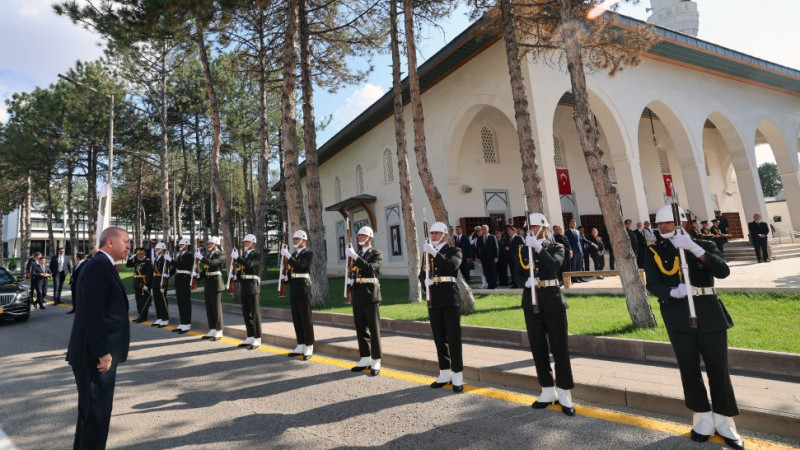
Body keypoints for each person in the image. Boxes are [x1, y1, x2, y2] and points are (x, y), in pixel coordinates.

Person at [645, 205, 744, 450]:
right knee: (688, 367)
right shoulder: (654, 251)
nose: (664, 227)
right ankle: (701, 417)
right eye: (661, 224)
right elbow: (652, 285)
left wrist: (693, 247)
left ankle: (724, 420)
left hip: (708, 312)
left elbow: (722, 271)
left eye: (668, 223)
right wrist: (672, 291)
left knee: (718, 367)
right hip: (677, 314)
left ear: (682, 223)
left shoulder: (703, 245)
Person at [66, 227, 131, 450]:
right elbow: (92, 313)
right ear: (110, 242)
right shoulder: (97, 266)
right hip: (94, 357)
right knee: (96, 417)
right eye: (126, 241)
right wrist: (103, 352)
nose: (129, 246)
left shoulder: (101, 264)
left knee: (91, 417)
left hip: (95, 355)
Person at [516, 212, 574, 415]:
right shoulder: (523, 250)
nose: (529, 231)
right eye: (527, 228)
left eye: (532, 227)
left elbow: (553, 267)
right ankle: (547, 390)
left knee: (559, 349)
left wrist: (539, 248)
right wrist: (524, 281)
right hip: (531, 302)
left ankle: (564, 392)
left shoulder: (556, 247)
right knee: (538, 348)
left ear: (543, 228)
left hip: (553, 301)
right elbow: (517, 272)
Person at [420, 222, 464, 393]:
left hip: (449, 297)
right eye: (432, 233)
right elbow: (422, 273)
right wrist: (424, 282)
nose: (434, 236)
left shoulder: (454, 251)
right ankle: (444, 372)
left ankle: (457, 374)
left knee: (453, 337)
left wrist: (433, 252)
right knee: (439, 337)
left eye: (438, 233)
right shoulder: (427, 252)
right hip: (434, 297)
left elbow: (451, 266)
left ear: (445, 235)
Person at [345, 226, 383, 375]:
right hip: (358, 293)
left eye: (363, 236)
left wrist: (354, 256)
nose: (360, 238)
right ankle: (365, 357)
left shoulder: (377, 253)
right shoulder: (356, 254)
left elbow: (370, 269)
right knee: (360, 328)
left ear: (370, 238)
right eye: (359, 236)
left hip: (371, 294)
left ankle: (376, 360)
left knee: (374, 329)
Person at [281, 231, 314, 359]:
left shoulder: (308, 254)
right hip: (294, 287)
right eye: (293, 238)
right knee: (296, 317)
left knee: (306, 318)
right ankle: (300, 344)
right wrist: (285, 277)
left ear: (304, 240)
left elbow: (300, 267)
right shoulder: (294, 254)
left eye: (297, 239)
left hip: (304, 287)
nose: (294, 240)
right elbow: (291, 270)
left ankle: (309, 345)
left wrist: (288, 256)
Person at [235, 234, 263, 350]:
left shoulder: (258, 255)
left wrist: (238, 258)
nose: (245, 243)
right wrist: (235, 276)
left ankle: (257, 338)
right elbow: (242, 269)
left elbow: (250, 265)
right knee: (246, 313)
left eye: (247, 242)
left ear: (252, 243)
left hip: (253, 286)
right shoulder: (244, 255)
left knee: (255, 313)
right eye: (244, 242)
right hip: (244, 286)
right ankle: (250, 336)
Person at [199, 236, 226, 341]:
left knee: (216, 309)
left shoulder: (221, 254)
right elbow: (205, 269)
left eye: (210, 244)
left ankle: (219, 330)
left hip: (216, 283)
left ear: (216, 244)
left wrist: (201, 258)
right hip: (208, 283)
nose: (208, 245)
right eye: (208, 244)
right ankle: (212, 329)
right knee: (209, 308)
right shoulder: (208, 255)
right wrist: (197, 277)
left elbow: (213, 263)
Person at [171, 238, 194, 334]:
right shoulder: (180, 255)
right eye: (179, 245)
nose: (180, 246)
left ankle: (187, 324)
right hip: (179, 279)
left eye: (181, 245)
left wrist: (171, 261)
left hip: (185, 279)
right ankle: (182, 323)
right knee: (180, 302)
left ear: (186, 245)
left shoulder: (189, 256)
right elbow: (176, 267)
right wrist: (168, 274)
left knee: (185, 302)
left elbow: (182, 265)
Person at [127, 247, 153, 323]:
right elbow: (128, 265)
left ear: (144, 253)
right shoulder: (137, 261)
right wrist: (130, 258)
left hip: (143, 283)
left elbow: (149, 274)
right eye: (138, 254)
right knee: (138, 301)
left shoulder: (147, 261)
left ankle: (144, 317)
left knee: (143, 301)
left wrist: (147, 285)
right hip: (137, 283)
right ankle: (140, 316)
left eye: (140, 254)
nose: (139, 256)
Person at [151, 243, 171, 328]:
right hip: (155, 280)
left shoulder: (165, 259)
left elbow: (167, 270)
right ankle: (159, 317)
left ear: (162, 250)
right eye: (155, 248)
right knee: (156, 300)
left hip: (162, 280)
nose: (156, 250)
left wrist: (165, 280)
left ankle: (165, 319)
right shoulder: (156, 259)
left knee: (162, 300)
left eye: (157, 248)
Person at [475, 224, 498, 289]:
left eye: (485, 229)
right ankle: (489, 284)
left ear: (488, 229)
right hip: (483, 258)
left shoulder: (492, 237)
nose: (484, 230)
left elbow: (495, 248)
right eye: (482, 229)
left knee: (492, 271)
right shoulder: (479, 238)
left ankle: (494, 284)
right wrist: (478, 257)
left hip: (491, 257)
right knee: (486, 271)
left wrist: (496, 257)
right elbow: (477, 249)